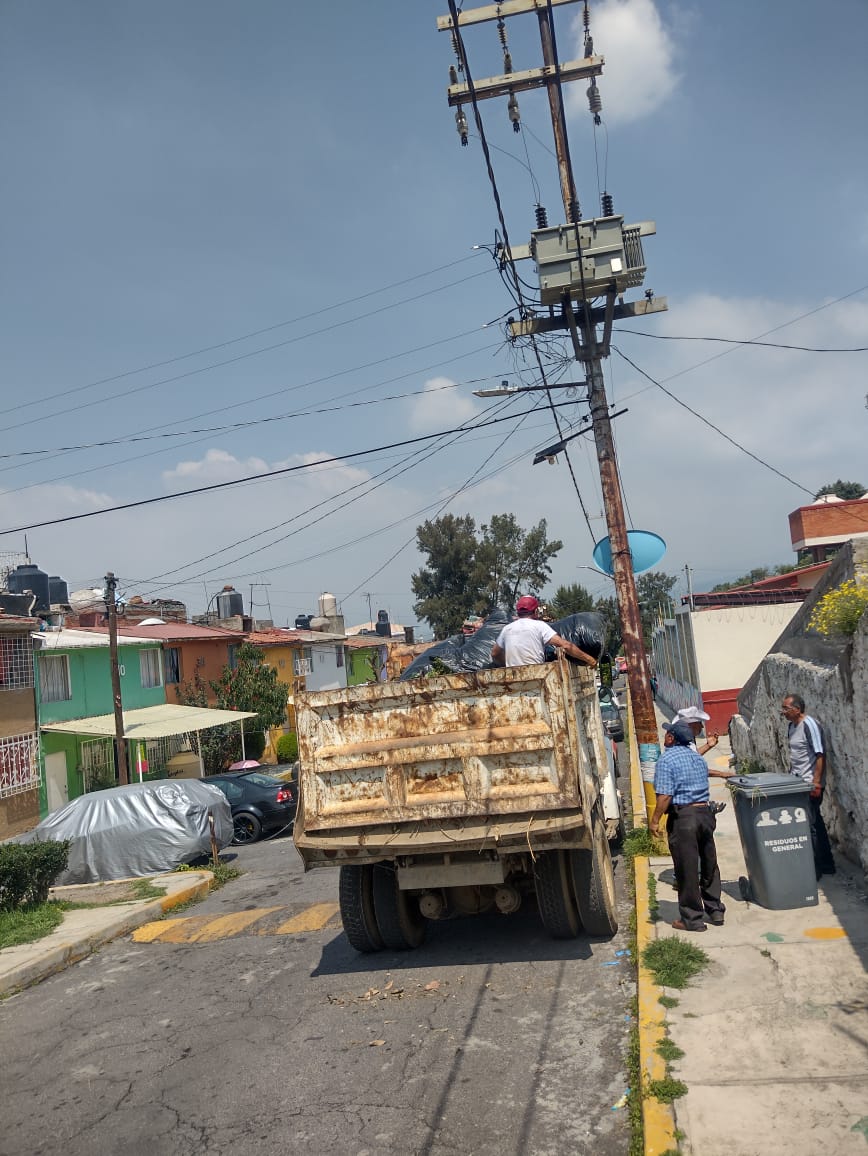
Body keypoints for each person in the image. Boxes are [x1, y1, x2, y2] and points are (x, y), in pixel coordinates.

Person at [650, 720, 732, 931]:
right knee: (709, 863)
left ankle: (692, 919)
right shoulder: (697, 758)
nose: (666, 736)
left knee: (686, 868)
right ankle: (715, 910)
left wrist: (655, 819)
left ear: (671, 738)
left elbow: (665, 796)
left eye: (667, 733)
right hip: (705, 814)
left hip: (684, 818)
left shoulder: (666, 761)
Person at [781, 694, 836, 878]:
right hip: (798, 783)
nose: (783, 712)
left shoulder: (809, 725)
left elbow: (820, 755)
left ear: (797, 709)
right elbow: (796, 755)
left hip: (810, 784)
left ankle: (818, 867)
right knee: (814, 822)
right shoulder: (791, 727)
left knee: (810, 825)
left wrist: (816, 783)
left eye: (786, 709)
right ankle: (826, 864)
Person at [491, 595, 597, 669]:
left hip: (512, 681)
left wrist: (506, 665)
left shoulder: (507, 629)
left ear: (518, 612)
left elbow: (495, 653)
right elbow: (566, 646)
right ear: (536, 611)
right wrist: (590, 659)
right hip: (537, 676)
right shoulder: (539, 626)